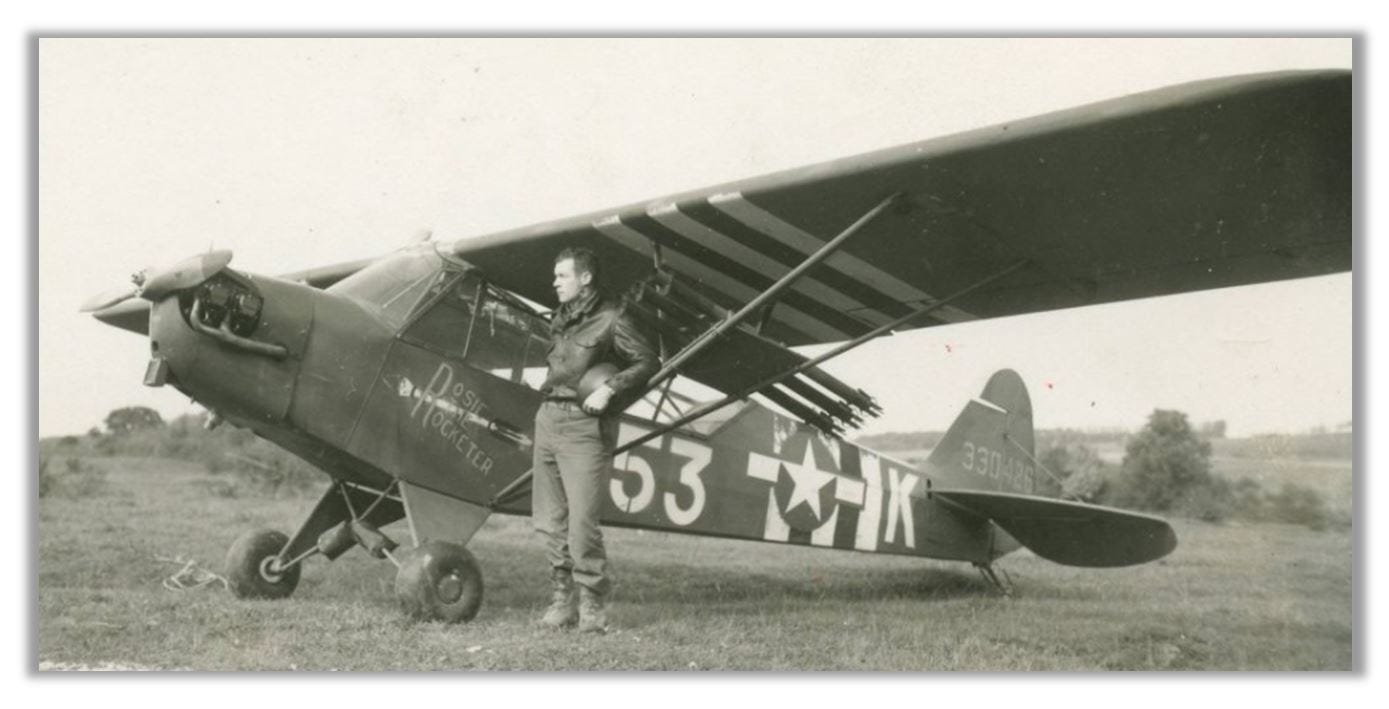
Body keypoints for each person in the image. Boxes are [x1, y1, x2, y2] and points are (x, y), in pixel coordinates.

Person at [532, 246, 658, 633]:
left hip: (584, 429)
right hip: (548, 420)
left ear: (585, 278)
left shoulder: (612, 317)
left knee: (582, 524)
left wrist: (611, 389)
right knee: (549, 522)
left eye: (562, 276)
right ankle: (562, 601)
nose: (555, 283)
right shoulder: (561, 319)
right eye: (555, 276)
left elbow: (647, 360)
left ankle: (591, 605)